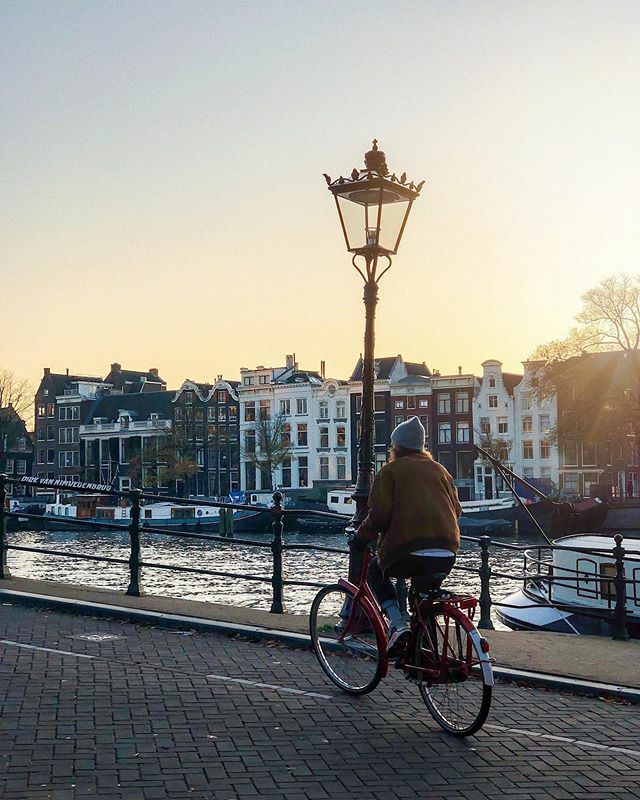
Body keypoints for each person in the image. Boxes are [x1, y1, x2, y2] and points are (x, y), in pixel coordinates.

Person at [355, 415, 462, 654]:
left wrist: (360, 537)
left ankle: (397, 625)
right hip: (447, 553)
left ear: (397, 447)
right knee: (422, 602)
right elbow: (457, 511)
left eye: (392, 446)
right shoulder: (441, 471)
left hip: (409, 553)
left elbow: (379, 516)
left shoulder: (390, 471)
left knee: (375, 570)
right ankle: (427, 655)